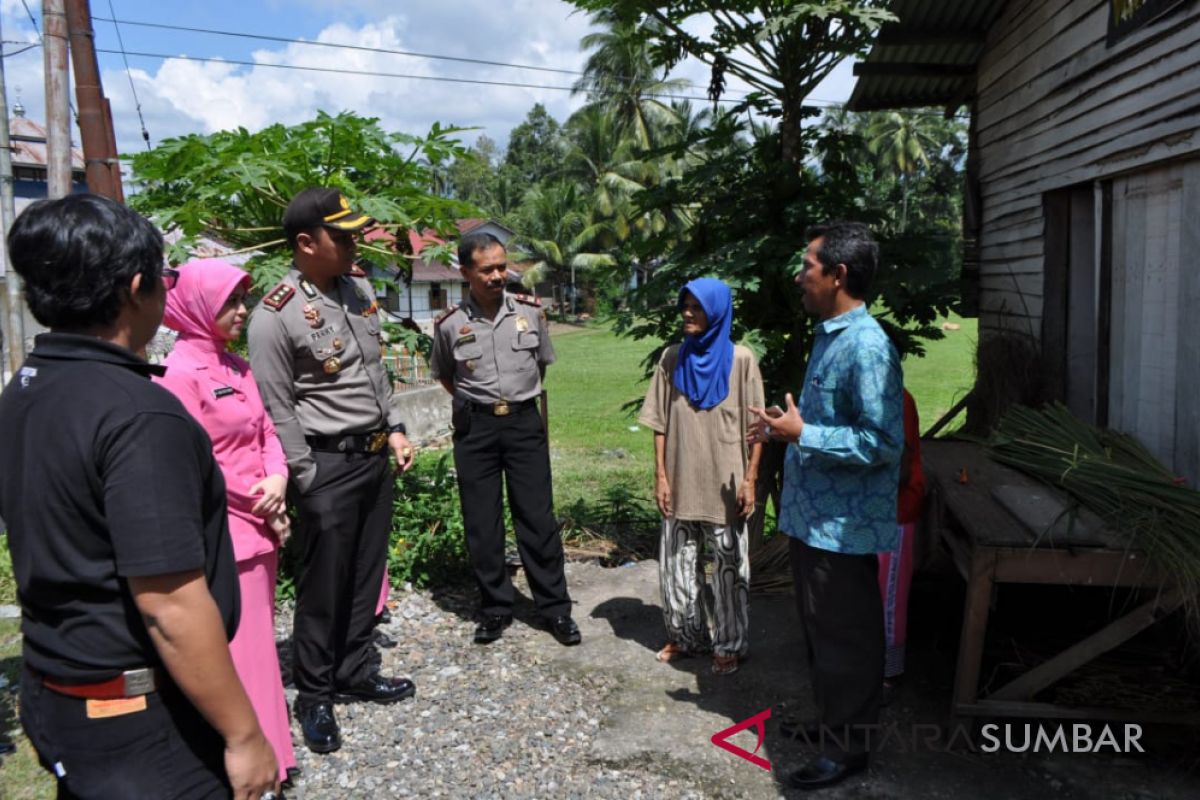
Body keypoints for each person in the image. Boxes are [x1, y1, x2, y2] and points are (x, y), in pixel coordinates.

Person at [0, 194, 278, 799]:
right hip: (136, 714)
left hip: (55, 689)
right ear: (136, 287)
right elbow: (169, 605)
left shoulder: (28, 386)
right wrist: (244, 734)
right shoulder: (140, 415)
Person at [247, 187, 416, 755]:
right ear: (305, 243)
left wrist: (393, 427)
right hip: (326, 463)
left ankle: (355, 669)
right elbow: (276, 405)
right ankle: (314, 693)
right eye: (340, 236)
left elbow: (376, 371)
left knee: (366, 574)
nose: (351, 244)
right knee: (322, 585)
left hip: (372, 456)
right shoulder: (276, 315)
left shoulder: (359, 291)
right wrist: (304, 474)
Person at [749, 221, 903, 790]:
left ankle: (849, 750)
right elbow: (823, 424)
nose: (799, 275)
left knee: (847, 640)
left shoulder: (868, 346)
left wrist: (804, 435)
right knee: (820, 634)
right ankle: (833, 724)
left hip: (844, 527)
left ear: (838, 275)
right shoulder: (830, 334)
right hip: (815, 520)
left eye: (808, 266)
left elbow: (883, 443)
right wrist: (784, 430)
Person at [154, 258, 298, 782]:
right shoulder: (179, 374)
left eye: (243, 300)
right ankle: (252, 760)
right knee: (239, 650)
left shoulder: (237, 368)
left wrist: (278, 482)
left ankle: (272, 754)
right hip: (226, 532)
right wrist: (261, 499)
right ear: (196, 307)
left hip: (262, 524)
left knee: (260, 646)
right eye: (231, 303)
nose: (242, 311)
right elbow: (198, 461)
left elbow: (267, 433)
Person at [429, 232, 579, 646]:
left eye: (501, 266)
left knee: (536, 516)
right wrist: (479, 403)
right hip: (475, 428)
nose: (498, 275)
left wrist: (514, 401)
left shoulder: (530, 313)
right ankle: (495, 607)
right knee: (482, 521)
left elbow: (539, 367)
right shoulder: (449, 325)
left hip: (523, 423)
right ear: (465, 273)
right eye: (487, 269)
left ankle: (555, 609)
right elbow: (446, 375)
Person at [638, 278, 763, 676]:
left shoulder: (742, 360)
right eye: (685, 305)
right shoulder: (672, 358)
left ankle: (729, 642)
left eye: (697, 306)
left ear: (717, 311)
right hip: (679, 479)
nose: (688, 313)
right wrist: (660, 475)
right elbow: (659, 422)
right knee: (676, 564)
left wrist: (750, 479)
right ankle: (686, 636)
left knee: (728, 568)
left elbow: (758, 428)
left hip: (725, 484)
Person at [879, 388, 925, 701]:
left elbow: (902, 464)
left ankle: (889, 670)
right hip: (874, 508)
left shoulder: (898, 399)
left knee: (889, 591)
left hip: (894, 507)